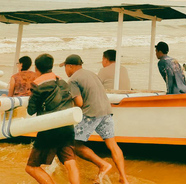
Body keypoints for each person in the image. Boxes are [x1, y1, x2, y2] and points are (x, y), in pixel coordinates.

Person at [63, 54, 129, 184]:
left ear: (70, 66)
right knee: (112, 145)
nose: (65, 70)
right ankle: (124, 178)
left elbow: (80, 103)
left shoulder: (73, 80)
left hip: (91, 113)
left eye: (65, 67)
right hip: (106, 110)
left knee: (75, 145)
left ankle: (102, 164)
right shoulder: (92, 74)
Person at [26, 54, 80, 184]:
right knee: (70, 163)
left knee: (31, 167)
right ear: (51, 66)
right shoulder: (62, 81)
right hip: (67, 127)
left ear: (36, 68)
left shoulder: (37, 84)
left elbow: (30, 110)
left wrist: (30, 96)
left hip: (49, 129)